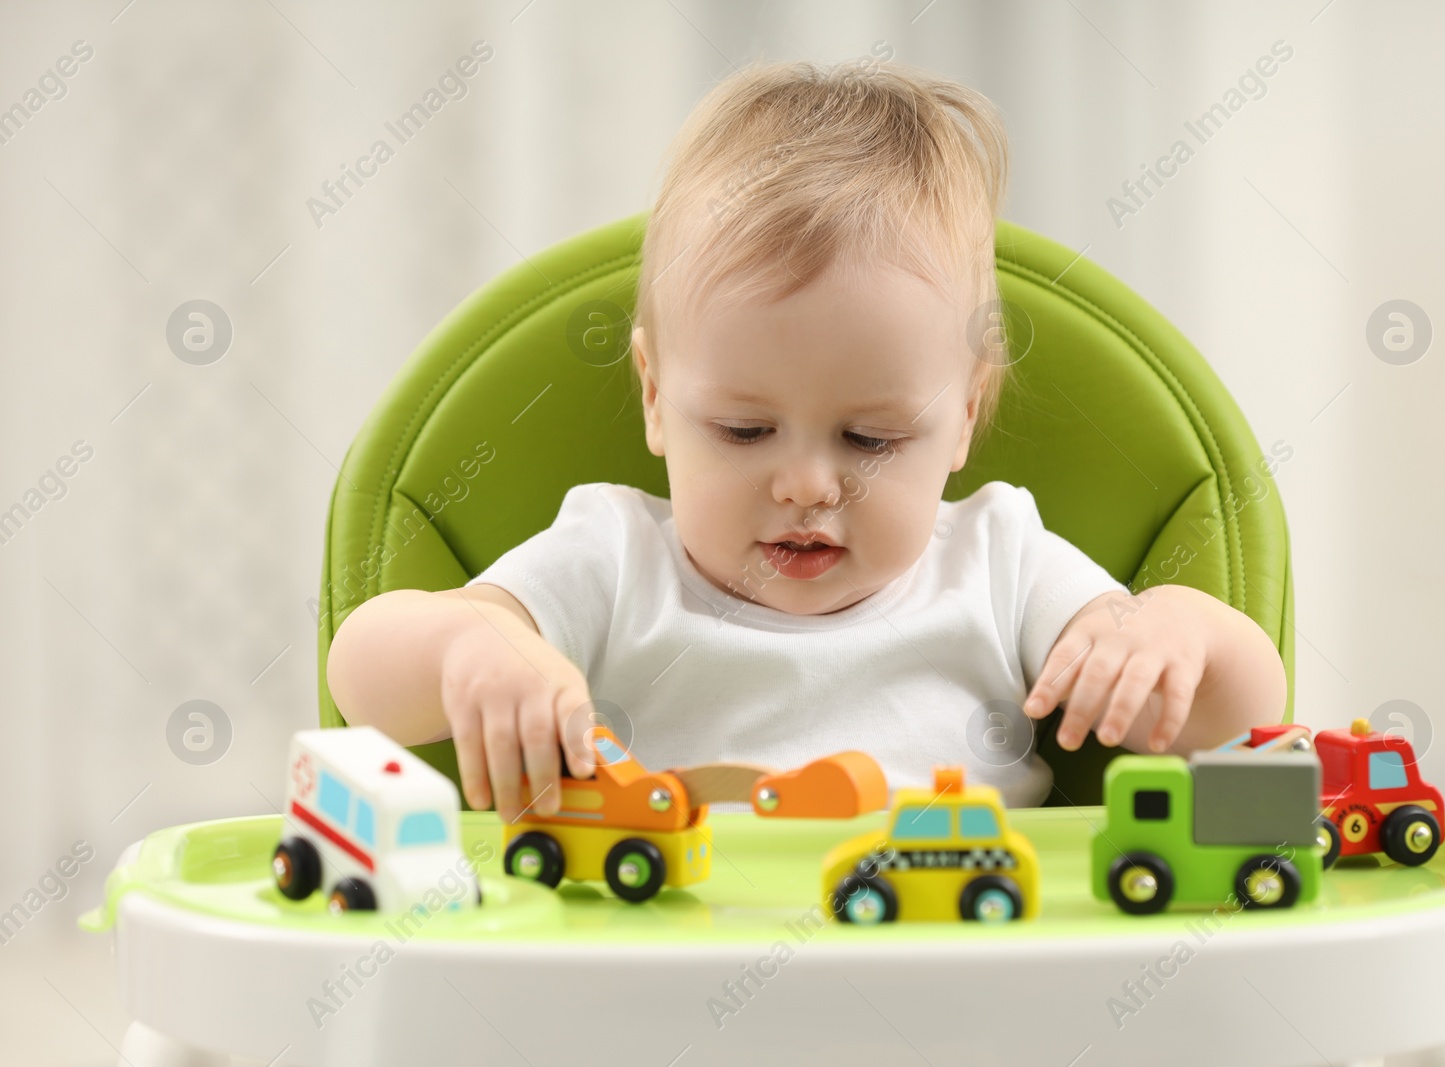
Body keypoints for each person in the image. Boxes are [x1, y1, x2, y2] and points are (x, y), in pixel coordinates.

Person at [326, 56, 1286, 823]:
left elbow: (1246, 716)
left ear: (964, 416)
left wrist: (1171, 632)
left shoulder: (998, 560)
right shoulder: (615, 558)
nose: (807, 484)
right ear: (655, 398)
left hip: (960, 967)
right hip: (656, 977)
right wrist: (471, 647)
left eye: (870, 439)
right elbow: (362, 673)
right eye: (744, 429)